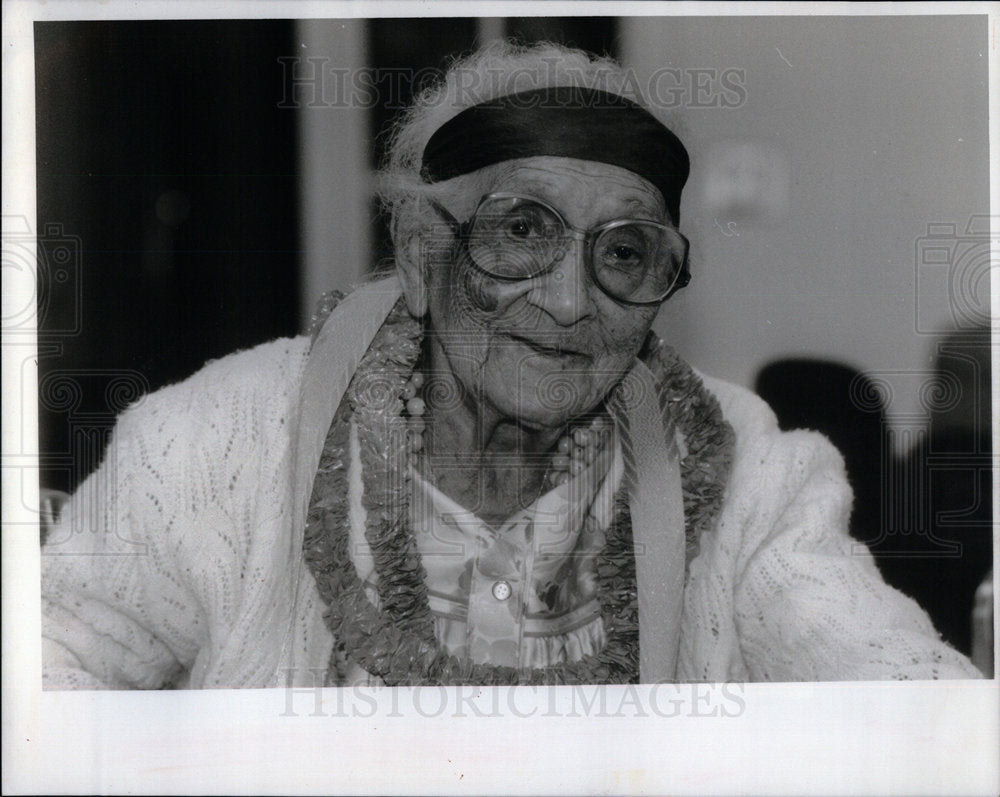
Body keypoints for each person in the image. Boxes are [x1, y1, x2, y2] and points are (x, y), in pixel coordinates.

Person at [41, 41, 980, 689]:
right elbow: (40, 682)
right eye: (520, 231)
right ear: (419, 252)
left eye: (622, 252)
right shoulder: (206, 446)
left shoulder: (749, 475)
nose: (571, 302)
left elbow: (909, 699)